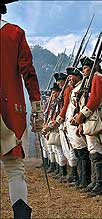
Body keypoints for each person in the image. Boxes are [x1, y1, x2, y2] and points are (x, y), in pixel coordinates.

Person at [0, 1, 43, 218]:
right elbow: (29, 73)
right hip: (10, 112)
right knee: (14, 170)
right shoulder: (14, 33)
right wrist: (37, 107)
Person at [74, 56, 102, 196]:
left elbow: (95, 99)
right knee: (93, 150)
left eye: (85, 67)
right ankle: (95, 182)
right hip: (91, 118)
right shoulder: (91, 79)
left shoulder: (97, 78)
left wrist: (82, 115)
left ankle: (99, 185)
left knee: (96, 150)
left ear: (94, 67)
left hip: (95, 118)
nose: (83, 70)